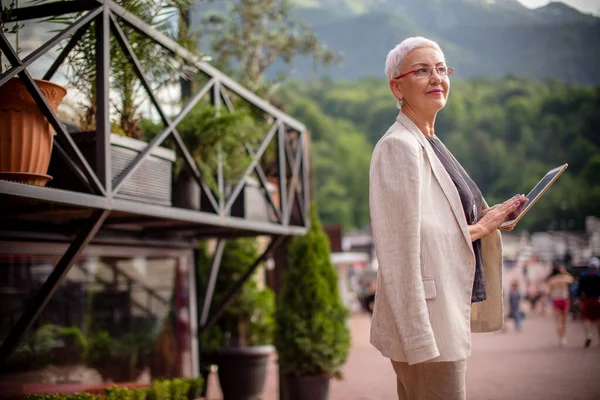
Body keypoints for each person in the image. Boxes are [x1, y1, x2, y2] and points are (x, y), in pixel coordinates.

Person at [369, 37, 528, 400]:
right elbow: (400, 246)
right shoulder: (399, 146)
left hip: (442, 316)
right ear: (397, 86)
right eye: (422, 70)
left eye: (441, 68)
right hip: (425, 323)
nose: (436, 77)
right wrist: (479, 228)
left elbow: (445, 219)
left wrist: (493, 218)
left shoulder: (430, 142)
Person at [546, 265, 574, 346]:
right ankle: (564, 337)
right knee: (564, 321)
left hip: (556, 300)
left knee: (558, 321)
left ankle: (560, 338)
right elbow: (572, 279)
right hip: (564, 300)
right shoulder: (565, 278)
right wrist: (565, 272)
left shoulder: (552, 280)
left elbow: (547, 292)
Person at [578, 257, 600, 347]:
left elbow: (580, 289)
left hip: (587, 300)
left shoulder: (584, 275)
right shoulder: (599, 275)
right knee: (598, 319)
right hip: (598, 299)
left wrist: (579, 299)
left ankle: (589, 334)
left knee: (586, 318)